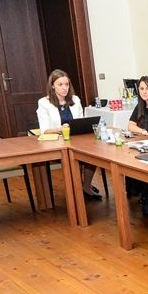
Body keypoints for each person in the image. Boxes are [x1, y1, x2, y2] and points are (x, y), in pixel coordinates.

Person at [36, 69, 98, 199]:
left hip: (76, 139)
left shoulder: (75, 99)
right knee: (72, 158)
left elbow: (80, 121)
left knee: (94, 154)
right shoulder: (44, 103)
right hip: (57, 141)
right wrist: (60, 129)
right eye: (60, 85)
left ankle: (86, 186)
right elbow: (44, 130)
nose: (65, 88)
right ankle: (74, 190)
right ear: (52, 85)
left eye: (67, 84)